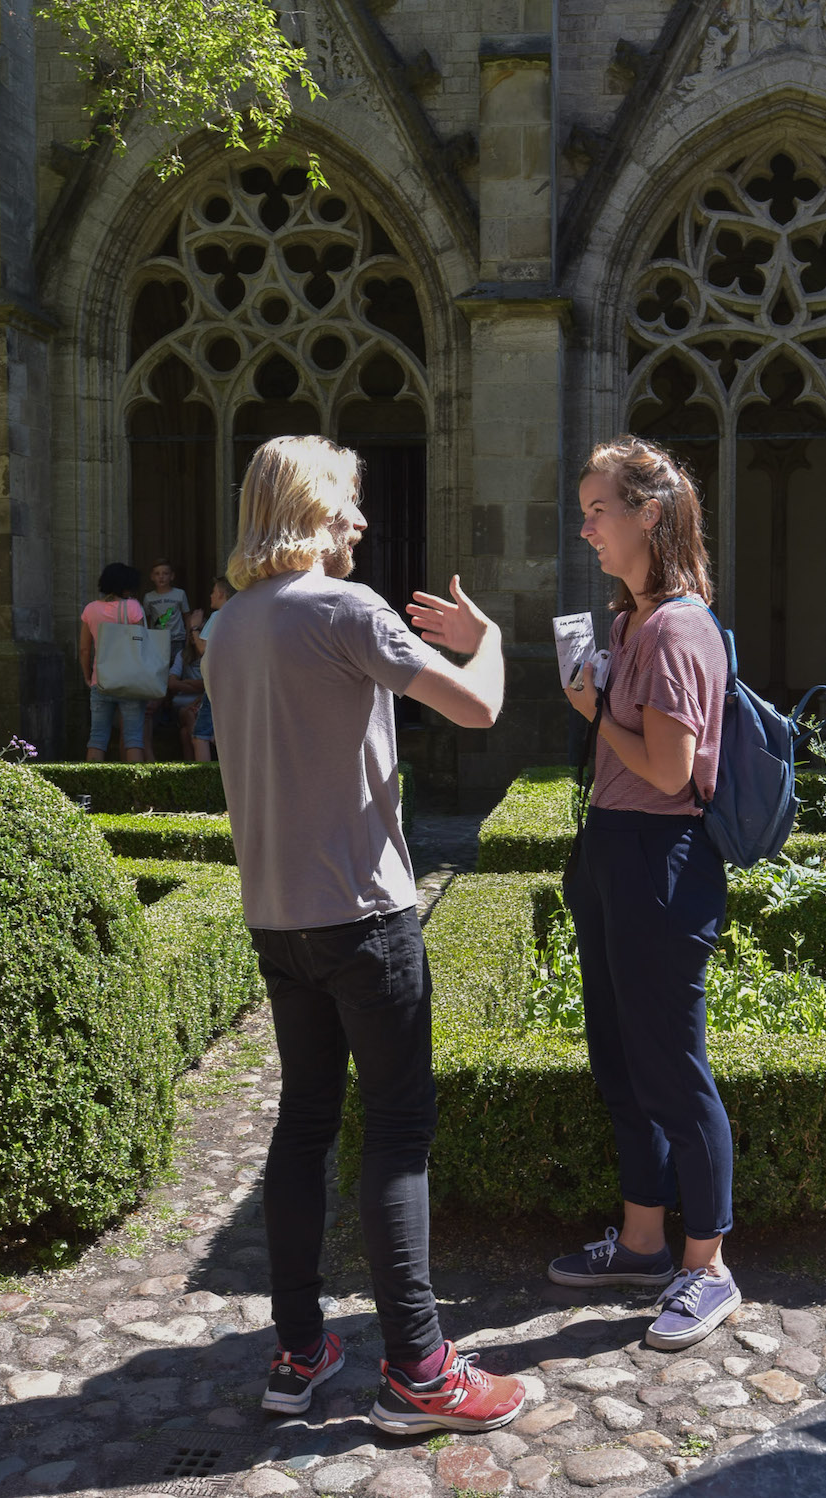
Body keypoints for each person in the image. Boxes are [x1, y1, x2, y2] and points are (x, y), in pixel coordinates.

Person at [203, 435, 523, 1434]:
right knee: (395, 1131)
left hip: (278, 919)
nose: (362, 520)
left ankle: (298, 1352)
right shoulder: (345, 609)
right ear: (309, 505)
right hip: (365, 916)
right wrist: (491, 635)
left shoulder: (224, 627)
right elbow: (477, 707)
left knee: (303, 1126)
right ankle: (422, 1372)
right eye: (347, 501)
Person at [548, 435, 740, 1352]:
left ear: (648, 516)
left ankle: (708, 1269)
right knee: (622, 1062)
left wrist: (596, 716)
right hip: (616, 851)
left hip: (663, 856)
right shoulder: (632, 624)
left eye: (597, 511)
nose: (584, 529)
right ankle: (642, 1241)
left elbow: (669, 770)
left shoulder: (675, 627)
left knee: (673, 1070)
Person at [79, 562, 147, 763]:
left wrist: (86, 676)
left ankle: (91, 788)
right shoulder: (133, 607)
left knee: (97, 737)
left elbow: (84, 649)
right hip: (131, 681)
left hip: (100, 681)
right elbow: (142, 645)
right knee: (134, 738)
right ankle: (137, 791)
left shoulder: (90, 609)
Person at [142, 558, 192, 760]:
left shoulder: (179, 594)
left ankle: (172, 713)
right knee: (160, 678)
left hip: (177, 640)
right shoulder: (149, 597)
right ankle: (161, 713)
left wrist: (189, 637)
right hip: (157, 642)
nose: (161, 577)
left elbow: (187, 616)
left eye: (165, 573)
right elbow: (145, 620)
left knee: (175, 677)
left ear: (172, 576)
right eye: (157, 574)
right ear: (152, 577)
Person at [190, 577, 234, 762]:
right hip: (230, 683)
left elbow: (203, 648)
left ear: (221, 594)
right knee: (221, 735)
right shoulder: (239, 615)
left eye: (213, 591)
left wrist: (194, 626)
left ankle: (204, 780)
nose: (210, 595)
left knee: (200, 735)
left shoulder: (218, 616)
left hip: (215, 684)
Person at [166, 627, 205, 761]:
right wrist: (197, 685)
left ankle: (192, 765)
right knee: (188, 713)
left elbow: (209, 684)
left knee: (184, 732)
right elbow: (172, 684)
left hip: (202, 704)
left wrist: (186, 682)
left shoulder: (211, 656)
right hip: (181, 704)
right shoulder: (182, 655)